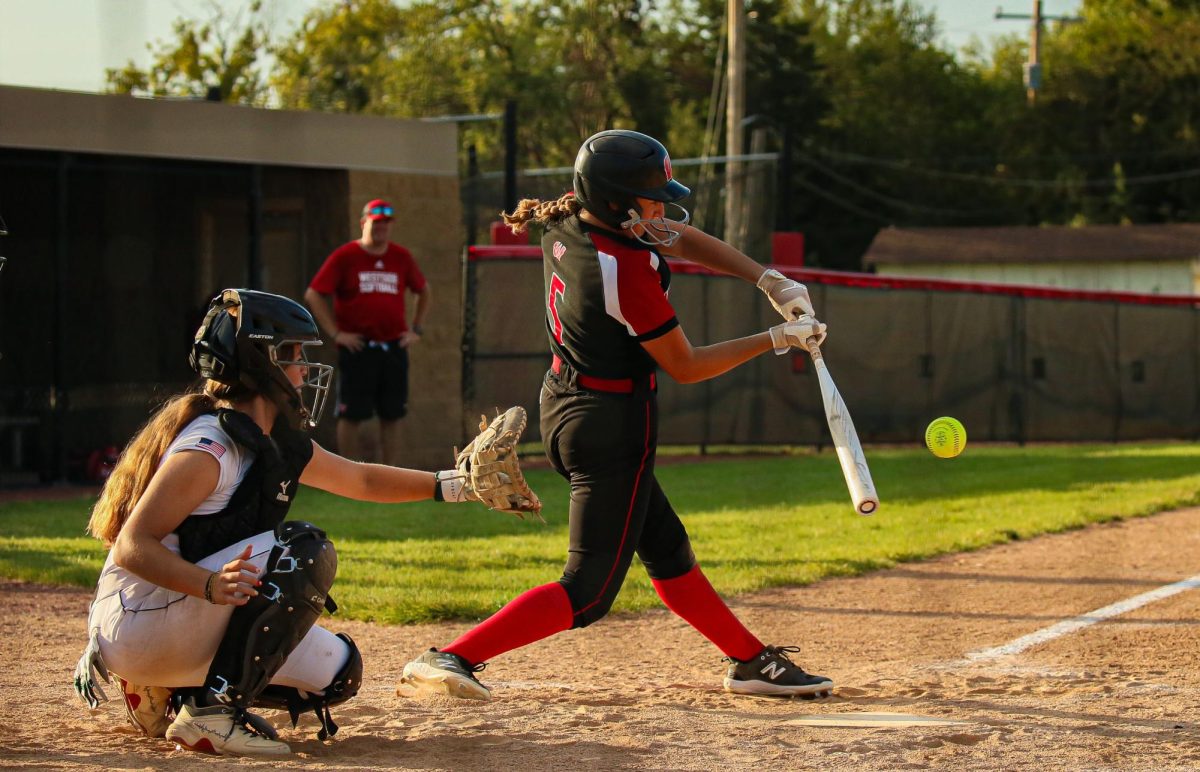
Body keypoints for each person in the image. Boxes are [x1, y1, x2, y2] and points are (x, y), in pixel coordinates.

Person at [399, 129, 833, 702]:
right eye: (649, 199)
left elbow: (671, 234)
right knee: (589, 591)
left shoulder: (570, 221)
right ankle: (452, 656)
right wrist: (776, 339)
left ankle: (750, 661)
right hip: (613, 425)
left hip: (566, 401)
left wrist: (766, 278)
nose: (662, 208)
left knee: (666, 548)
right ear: (616, 204)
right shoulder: (624, 272)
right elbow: (687, 365)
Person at [72, 289, 507, 757]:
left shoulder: (270, 439)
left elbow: (360, 479)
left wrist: (460, 484)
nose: (304, 370)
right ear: (261, 360)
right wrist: (210, 584)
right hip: (139, 620)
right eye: (295, 354)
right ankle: (210, 714)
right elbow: (131, 545)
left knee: (337, 674)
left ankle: (176, 697)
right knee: (304, 548)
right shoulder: (210, 448)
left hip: (174, 615)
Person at [304, 199, 430, 466]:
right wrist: (336, 334)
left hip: (393, 347)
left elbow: (423, 290)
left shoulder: (401, 257)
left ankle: (390, 471)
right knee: (351, 414)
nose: (382, 228)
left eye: (386, 223)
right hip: (358, 347)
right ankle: (348, 472)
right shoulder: (345, 256)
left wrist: (415, 329)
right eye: (376, 222)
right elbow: (314, 293)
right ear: (364, 223)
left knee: (392, 413)